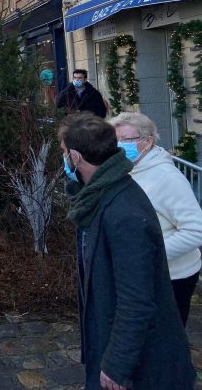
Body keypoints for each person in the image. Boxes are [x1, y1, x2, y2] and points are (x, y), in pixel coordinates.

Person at [58, 112, 195, 389]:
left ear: (75, 156)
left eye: (63, 152)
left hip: (142, 367)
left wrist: (117, 365)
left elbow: (137, 301)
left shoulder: (122, 210)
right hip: (110, 336)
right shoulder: (101, 194)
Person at [109, 112, 202, 325]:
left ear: (148, 141)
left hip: (171, 277)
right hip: (142, 273)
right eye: (116, 140)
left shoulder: (167, 177)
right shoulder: (129, 169)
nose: (119, 145)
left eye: (127, 139)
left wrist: (149, 252)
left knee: (166, 343)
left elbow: (196, 229)